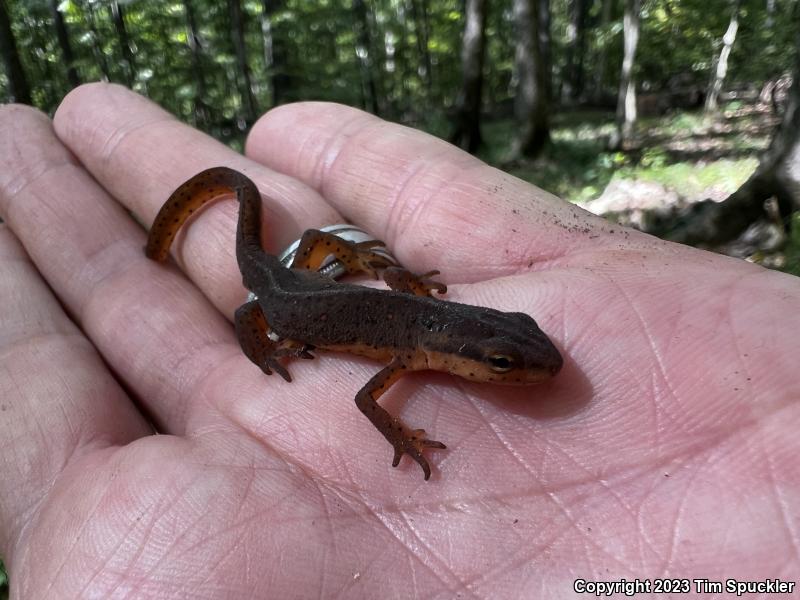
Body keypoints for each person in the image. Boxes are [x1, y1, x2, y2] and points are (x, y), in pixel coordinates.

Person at [0, 83, 797, 598]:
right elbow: (356, 390)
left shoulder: (422, 333)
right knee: (260, 299)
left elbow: (402, 294)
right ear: (447, 355)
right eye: (500, 363)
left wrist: (382, 270)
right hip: (284, 300)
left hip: (317, 279)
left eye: (507, 352)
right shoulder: (400, 359)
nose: (515, 365)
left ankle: (291, 252)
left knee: (307, 254)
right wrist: (273, 347)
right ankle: (223, 241)